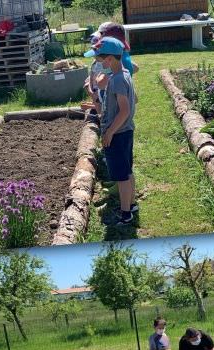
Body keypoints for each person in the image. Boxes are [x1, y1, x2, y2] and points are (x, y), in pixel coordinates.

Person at [84, 37, 137, 226]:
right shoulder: (123, 75)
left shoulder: (117, 80)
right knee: (127, 171)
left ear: (109, 60)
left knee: (122, 176)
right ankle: (130, 205)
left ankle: (125, 214)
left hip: (118, 134)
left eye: (99, 60)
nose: (98, 64)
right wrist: (103, 88)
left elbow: (124, 110)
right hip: (125, 131)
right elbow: (129, 103)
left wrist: (109, 133)